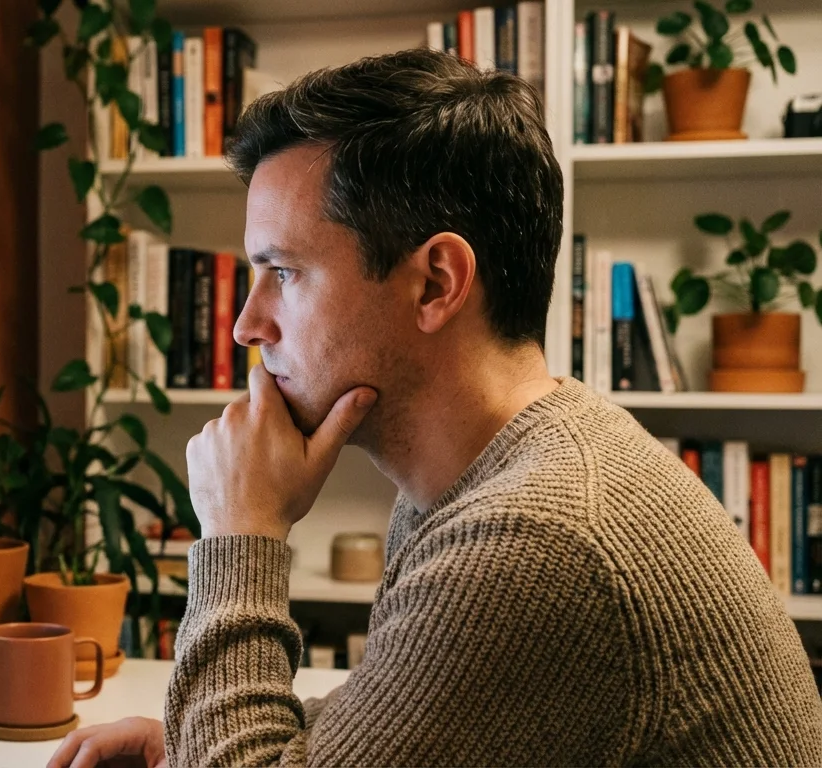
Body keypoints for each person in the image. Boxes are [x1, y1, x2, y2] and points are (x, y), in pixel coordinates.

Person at [48, 49, 822, 767]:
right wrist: (191, 743)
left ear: (436, 283)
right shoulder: (504, 464)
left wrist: (240, 534)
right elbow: (418, 713)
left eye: (282, 272)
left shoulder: (541, 537)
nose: (248, 325)